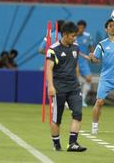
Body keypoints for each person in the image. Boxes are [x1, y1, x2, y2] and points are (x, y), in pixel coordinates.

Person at [46, 21, 86, 152]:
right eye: (72, 36)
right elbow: (49, 69)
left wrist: (79, 79)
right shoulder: (53, 50)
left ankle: (72, 144)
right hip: (59, 89)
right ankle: (56, 145)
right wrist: (50, 86)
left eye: (76, 36)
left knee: (78, 114)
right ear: (64, 34)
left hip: (74, 87)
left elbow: (75, 64)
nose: (74, 38)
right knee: (57, 119)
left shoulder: (76, 47)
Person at [76, 20, 94, 107]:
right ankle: (71, 100)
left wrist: (94, 57)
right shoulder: (72, 35)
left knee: (89, 78)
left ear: (84, 28)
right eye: (79, 27)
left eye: (82, 28)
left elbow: (91, 47)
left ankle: (82, 100)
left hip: (83, 62)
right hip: (73, 61)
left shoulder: (88, 36)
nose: (80, 29)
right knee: (76, 81)